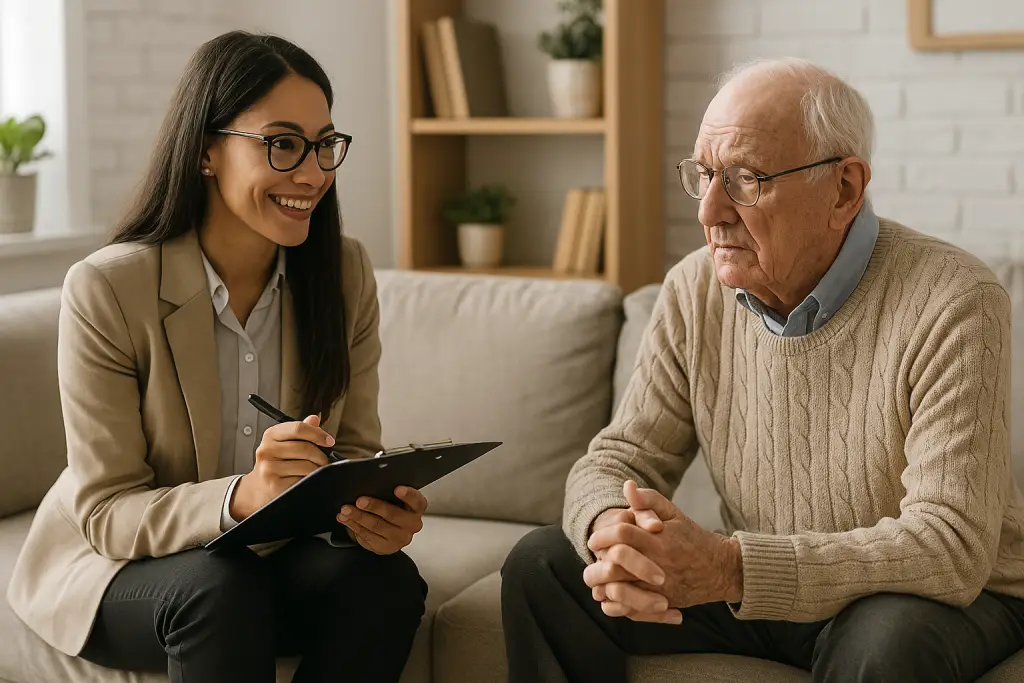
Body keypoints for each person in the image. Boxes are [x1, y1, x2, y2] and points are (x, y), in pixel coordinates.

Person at [501, 57, 1024, 683]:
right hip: (767, 590)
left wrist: (729, 568)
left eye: (746, 180)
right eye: (704, 175)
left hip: (932, 596)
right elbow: (617, 460)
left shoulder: (955, 298)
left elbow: (948, 545)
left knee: (885, 641)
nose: (710, 211)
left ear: (844, 190)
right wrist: (617, 530)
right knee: (543, 565)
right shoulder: (694, 290)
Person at [6, 31, 427, 683]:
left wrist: (369, 516)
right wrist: (241, 496)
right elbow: (106, 511)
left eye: (324, 145)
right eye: (283, 144)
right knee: (217, 588)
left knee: (384, 581)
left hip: (262, 559)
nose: (314, 172)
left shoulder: (344, 273)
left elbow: (351, 451)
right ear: (207, 152)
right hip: (115, 565)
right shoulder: (109, 287)